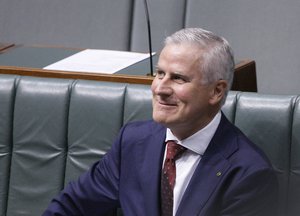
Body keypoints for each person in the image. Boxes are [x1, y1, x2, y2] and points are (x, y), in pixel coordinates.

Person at [43, 28, 278, 216]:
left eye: (177, 78)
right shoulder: (133, 142)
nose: (160, 88)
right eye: (159, 73)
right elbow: (71, 207)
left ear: (216, 91)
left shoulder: (248, 173)